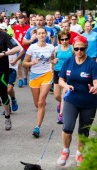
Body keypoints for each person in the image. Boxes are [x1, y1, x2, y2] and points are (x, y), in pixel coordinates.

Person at [57, 35, 97, 167]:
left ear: (86, 48)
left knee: (83, 131)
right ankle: (65, 151)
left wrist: (95, 87)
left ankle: (79, 154)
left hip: (89, 102)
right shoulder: (68, 61)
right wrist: (66, 86)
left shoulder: (92, 63)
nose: (79, 51)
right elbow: (60, 80)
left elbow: (96, 82)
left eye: (82, 49)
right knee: (67, 127)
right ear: (73, 48)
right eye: (76, 48)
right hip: (71, 100)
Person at [23, 27, 54, 137]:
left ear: (46, 35)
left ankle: (37, 127)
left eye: (43, 33)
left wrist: (54, 62)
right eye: (39, 33)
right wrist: (32, 63)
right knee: (37, 104)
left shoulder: (51, 47)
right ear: (36, 35)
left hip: (47, 75)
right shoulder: (32, 47)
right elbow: (24, 63)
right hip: (34, 76)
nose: (41, 35)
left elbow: (52, 59)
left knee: (41, 102)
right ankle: (41, 105)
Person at [53, 30, 73, 124]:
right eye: (62, 39)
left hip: (68, 73)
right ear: (60, 40)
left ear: (69, 39)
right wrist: (54, 61)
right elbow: (51, 59)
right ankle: (61, 103)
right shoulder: (57, 48)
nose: (64, 41)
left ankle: (61, 115)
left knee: (64, 93)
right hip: (57, 72)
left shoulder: (72, 49)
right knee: (57, 95)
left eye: (66, 39)